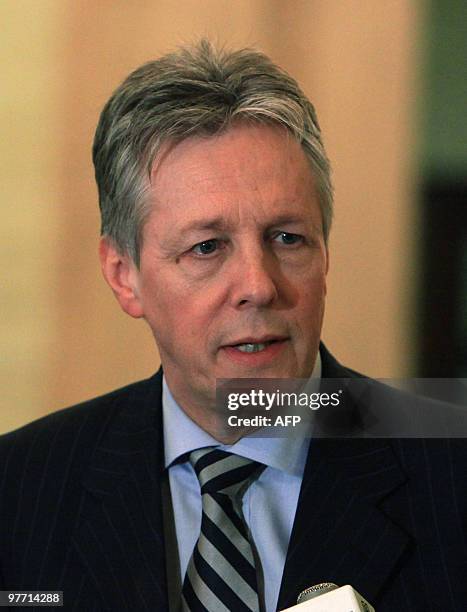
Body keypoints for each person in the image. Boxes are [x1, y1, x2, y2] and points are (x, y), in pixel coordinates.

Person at [0, 40, 466, 612]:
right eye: (206, 247)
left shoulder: (452, 469)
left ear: (326, 252)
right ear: (125, 277)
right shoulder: (19, 491)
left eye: (287, 237)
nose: (258, 284)